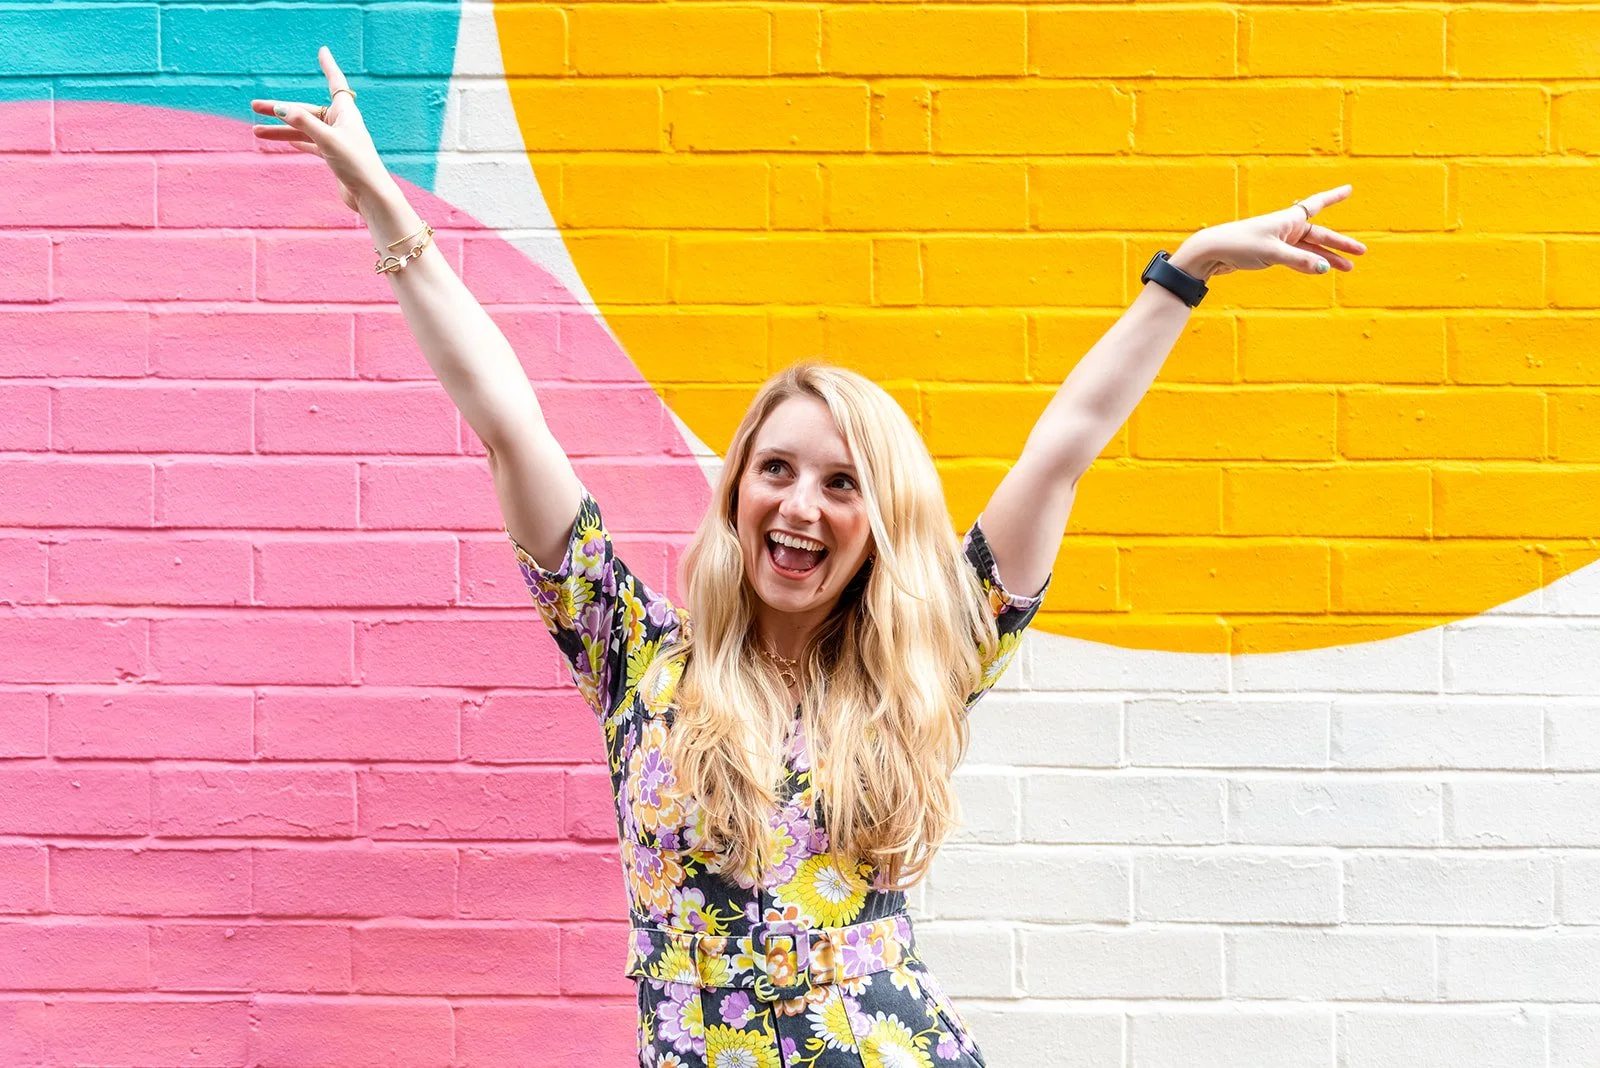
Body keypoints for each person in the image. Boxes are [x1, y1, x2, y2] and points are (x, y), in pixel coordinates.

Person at [253, 47, 1367, 1068]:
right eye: (776, 469)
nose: (800, 507)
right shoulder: (633, 654)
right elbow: (509, 423)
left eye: (843, 484)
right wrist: (385, 206)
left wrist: (1183, 273)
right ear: (737, 488)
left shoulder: (931, 654)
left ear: (879, 519)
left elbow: (1061, 451)